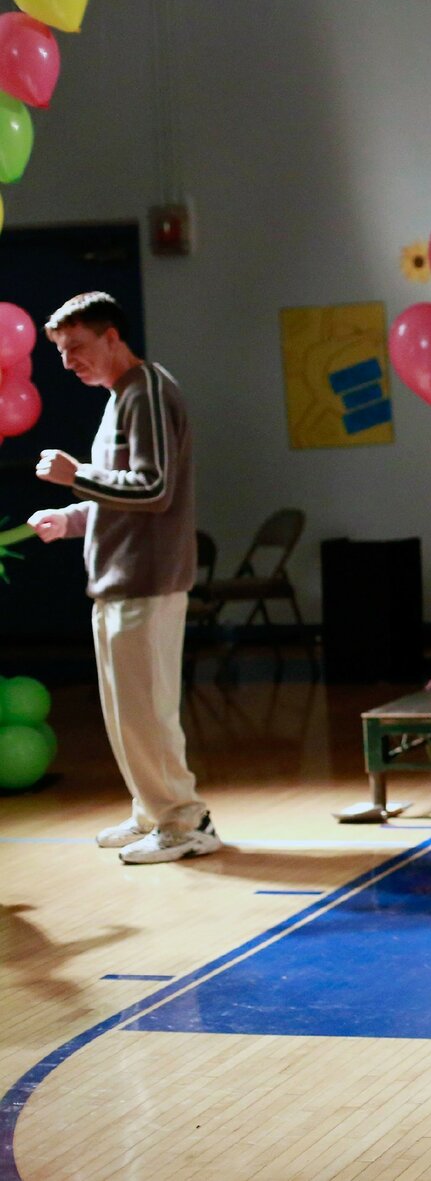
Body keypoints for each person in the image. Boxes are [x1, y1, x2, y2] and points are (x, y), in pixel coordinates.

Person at [27, 292, 217, 865]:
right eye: (61, 351)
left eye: (77, 346)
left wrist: (76, 475)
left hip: (148, 579)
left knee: (147, 710)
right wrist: (68, 520)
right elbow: (120, 494)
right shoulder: (120, 398)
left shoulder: (147, 391)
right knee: (125, 712)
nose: (68, 362)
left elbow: (154, 489)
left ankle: (185, 820)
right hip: (118, 579)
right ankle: (153, 810)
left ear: (112, 337)